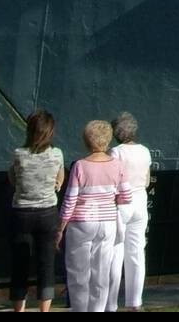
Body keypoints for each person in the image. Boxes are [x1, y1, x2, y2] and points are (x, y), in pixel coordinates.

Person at [56, 120, 131, 311]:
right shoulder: (118, 165)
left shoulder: (80, 166)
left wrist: (60, 228)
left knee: (78, 274)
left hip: (81, 223)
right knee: (101, 273)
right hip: (107, 223)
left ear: (86, 141)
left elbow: (70, 200)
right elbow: (126, 196)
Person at [7, 110, 64, 312]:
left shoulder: (18, 154)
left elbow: (13, 180)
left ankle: (19, 310)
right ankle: (44, 310)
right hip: (47, 213)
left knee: (20, 263)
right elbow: (59, 181)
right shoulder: (57, 154)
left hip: (22, 213)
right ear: (50, 132)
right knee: (46, 263)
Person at [104, 112, 151, 311]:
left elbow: (111, 181)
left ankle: (111, 304)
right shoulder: (145, 151)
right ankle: (134, 302)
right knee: (136, 254)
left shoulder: (116, 153)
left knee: (116, 252)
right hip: (140, 200)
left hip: (121, 202)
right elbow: (147, 180)